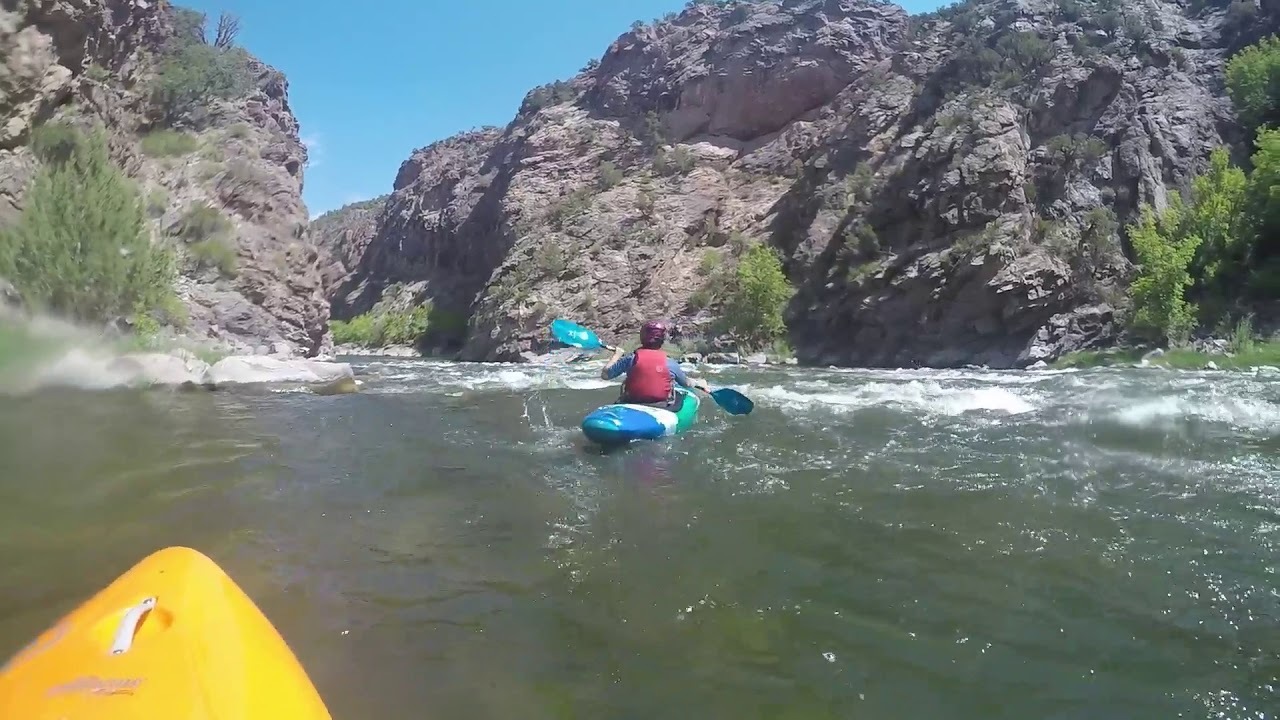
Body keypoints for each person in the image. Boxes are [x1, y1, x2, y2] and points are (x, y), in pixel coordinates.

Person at [600, 320, 709, 408]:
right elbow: (686, 384)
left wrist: (617, 355)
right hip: (661, 406)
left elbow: (605, 375)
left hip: (631, 403)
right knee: (680, 395)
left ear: (642, 338)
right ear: (661, 340)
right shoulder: (670, 363)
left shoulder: (630, 359)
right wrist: (698, 383)